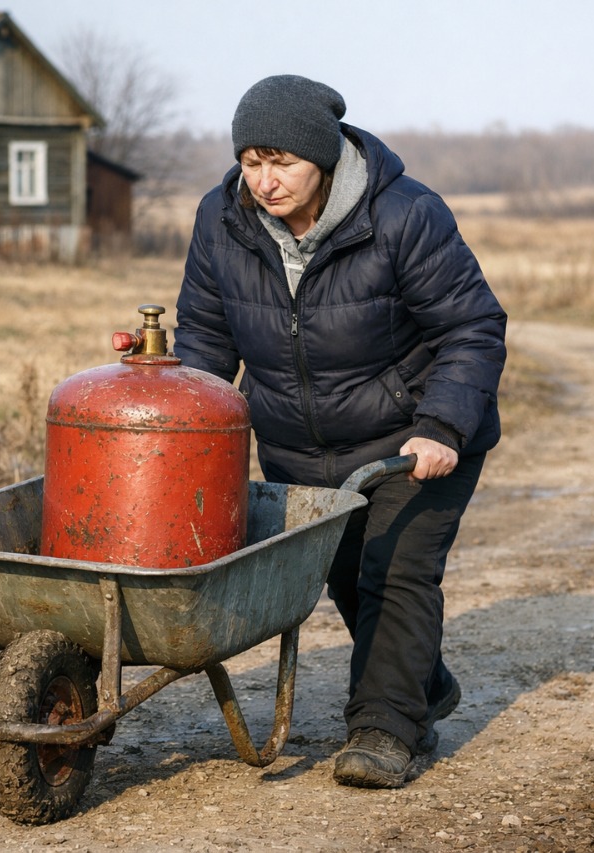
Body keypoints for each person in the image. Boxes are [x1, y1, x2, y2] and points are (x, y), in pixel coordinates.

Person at [173, 74, 506, 788]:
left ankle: (386, 728)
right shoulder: (221, 220)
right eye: (251, 161)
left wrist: (443, 423)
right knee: (348, 580)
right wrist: (187, 434)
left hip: (411, 440)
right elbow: (203, 338)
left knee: (394, 572)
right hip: (299, 448)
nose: (264, 181)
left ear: (322, 155)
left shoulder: (404, 215)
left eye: (281, 161)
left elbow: (473, 326)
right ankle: (421, 684)